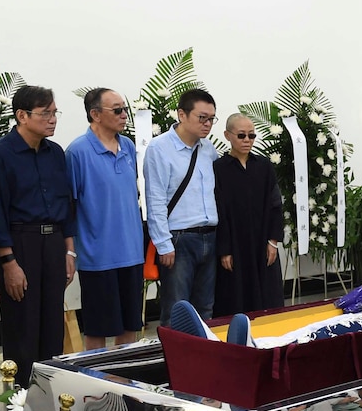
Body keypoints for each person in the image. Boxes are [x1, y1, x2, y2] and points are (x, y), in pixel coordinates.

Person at [0, 85, 76, 387]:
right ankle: (20, 404)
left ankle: (51, 401)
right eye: (45, 113)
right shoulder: (0, 154)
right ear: (22, 115)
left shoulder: (56, 153)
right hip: (20, 243)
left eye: (55, 113)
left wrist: (69, 251)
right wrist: (8, 263)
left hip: (53, 243)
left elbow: (66, 204)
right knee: (22, 327)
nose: (53, 120)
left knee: (52, 324)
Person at [66, 88, 143, 349]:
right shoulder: (77, 152)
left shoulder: (129, 146)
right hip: (98, 257)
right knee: (98, 329)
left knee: (130, 325)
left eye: (125, 109)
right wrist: (71, 252)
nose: (124, 116)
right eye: (117, 110)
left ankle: (124, 382)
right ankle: (96, 385)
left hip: (132, 253)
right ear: (95, 114)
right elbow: (70, 206)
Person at [144, 89, 219, 326]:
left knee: (205, 309)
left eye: (211, 119)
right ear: (182, 115)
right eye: (202, 118)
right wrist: (163, 244)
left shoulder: (208, 150)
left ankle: (202, 361)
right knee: (177, 310)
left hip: (210, 237)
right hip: (179, 240)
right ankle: (174, 362)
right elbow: (154, 199)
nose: (207, 124)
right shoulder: (160, 148)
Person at [213, 113, 284, 316]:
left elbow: (275, 204)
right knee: (235, 295)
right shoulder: (219, 168)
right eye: (241, 135)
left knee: (268, 296)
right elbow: (219, 210)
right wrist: (224, 249)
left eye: (251, 136)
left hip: (262, 242)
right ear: (227, 135)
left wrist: (273, 241)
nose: (247, 141)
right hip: (235, 243)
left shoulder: (263, 166)